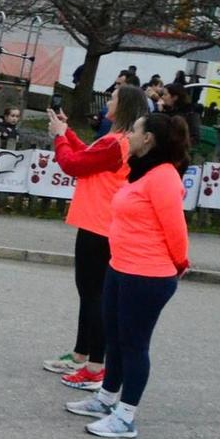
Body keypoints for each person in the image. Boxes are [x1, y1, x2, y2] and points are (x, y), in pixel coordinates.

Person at [65, 112, 192, 439]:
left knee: (134, 344)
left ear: (149, 138)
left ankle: (126, 416)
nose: (129, 136)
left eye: (135, 131)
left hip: (147, 275)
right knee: (116, 339)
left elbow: (176, 230)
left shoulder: (164, 177)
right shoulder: (142, 172)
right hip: (121, 267)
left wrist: (179, 264)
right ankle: (106, 398)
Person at [44, 86, 149, 391]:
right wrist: (66, 133)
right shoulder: (116, 141)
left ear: (124, 106)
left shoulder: (118, 143)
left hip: (101, 226)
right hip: (96, 223)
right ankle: (82, 354)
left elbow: (73, 165)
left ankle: (95, 366)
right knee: (88, 292)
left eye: (113, 98)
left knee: (94, 296)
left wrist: (61, 136)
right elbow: (87, 156)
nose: (108, 102)